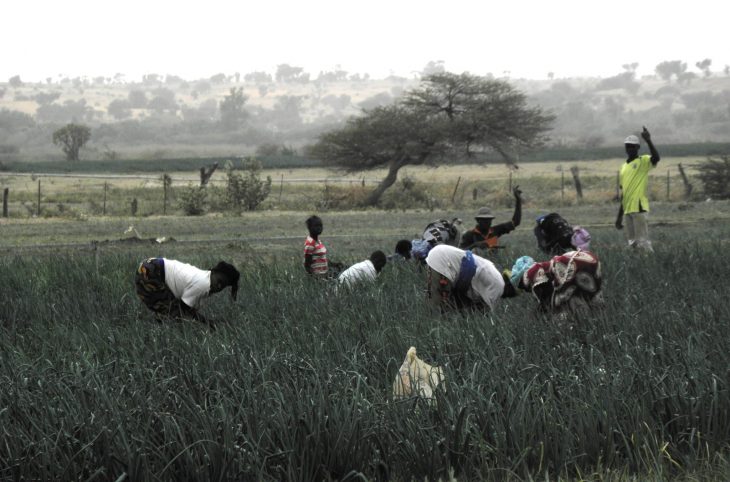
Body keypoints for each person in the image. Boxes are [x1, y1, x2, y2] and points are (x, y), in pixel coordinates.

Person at [135, 257, 239, 325]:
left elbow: (187, 309)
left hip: (150, 264)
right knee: (172, 316)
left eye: (222, 286)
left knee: (167, 311)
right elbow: (184, 309)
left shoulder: (204, 276)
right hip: (151, 271)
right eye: (219, 281)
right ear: (213, 272)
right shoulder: (203, 284)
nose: (218, 286)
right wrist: (208, 323)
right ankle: (143, 325)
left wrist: (207, 322)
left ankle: (143, 324)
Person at [510, 250, 603, 319]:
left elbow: (546, 296)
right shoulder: (543, 267)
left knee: (559, 305)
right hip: (589, 258)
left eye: (522, 285)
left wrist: (536, 316)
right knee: (587, 294)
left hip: (572, 263)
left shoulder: (531, 272)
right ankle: (597, 317)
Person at [425, 244, 516, 311]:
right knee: (439, 308)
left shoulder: (494, 273)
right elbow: (486, 312)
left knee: (449, 306)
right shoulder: (499, 287)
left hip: (441, 255)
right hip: (443, 261)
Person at [615, 126, 660, 251]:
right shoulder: (624, 167)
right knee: (632, 243)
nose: (630, 148)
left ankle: (650, 263)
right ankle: (638, 265)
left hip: (639, 207)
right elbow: (624, 193)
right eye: (628, 146)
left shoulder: (643, 161)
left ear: (638, 148)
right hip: (627, 209)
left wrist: (649, 140)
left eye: (632, 146)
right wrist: (619, 217)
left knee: (643, 242)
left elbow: (656, 158)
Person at [459, 186, 523, 252]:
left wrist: (518, 200)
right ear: (478, 220)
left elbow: (515, 222)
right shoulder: (469, 235)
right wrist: (475, 245)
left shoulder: (495, 231)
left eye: (489, 220)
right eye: (484, 220)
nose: (487, 222)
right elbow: (460, 252)